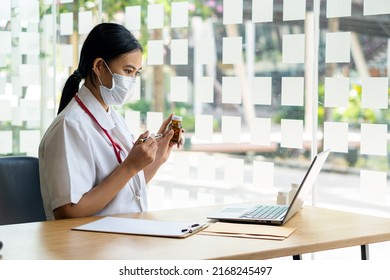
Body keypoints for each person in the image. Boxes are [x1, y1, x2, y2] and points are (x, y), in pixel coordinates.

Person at [39, 22, 182, 220]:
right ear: (99, 66)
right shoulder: (70, 125)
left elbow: (125, 190)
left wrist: (157, 158)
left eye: (136, 73)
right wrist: (130, 166)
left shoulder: (114, 119)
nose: (132, 80)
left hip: (120, 237)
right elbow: (68, 212)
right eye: (128, 71)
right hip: (88, 246)